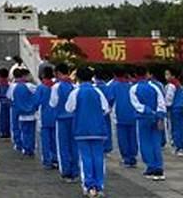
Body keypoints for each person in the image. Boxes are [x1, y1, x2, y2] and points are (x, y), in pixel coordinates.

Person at [65, 67, 110, 198]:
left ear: (78, 78)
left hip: (81, 130)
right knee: (98, 157)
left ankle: (89, 186)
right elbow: (106, 109)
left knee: (85, 158)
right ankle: (99, 186)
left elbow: (69, 108)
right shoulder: (97, 91)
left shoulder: (76, 92)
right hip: (98, 130)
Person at [130, 65, 167, 180]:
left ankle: (151, 167)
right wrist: (160, 116)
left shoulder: (134, 89)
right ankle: (158, 167)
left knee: (145, 143)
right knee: (156, 142)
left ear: (135, 75)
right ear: (147, 74)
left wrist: (148, 111)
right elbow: (162, 103)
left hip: (143, 118)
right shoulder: (155, 87)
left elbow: (136, 105)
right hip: (156, 118)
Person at [50, 62, 79, 182]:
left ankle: (66, 172)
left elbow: (53, 103)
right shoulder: (75, 86)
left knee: (63, 146)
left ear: (58, 73)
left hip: (61, 119)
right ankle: (75, 171)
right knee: (74, 146)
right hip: (74, 119)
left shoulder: (56, 87)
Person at [107, 66, 138, 168]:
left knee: (123, 138)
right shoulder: (130, 84)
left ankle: (126, 158)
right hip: (132, 114)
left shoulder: (113, 85)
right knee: (132, 137)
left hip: (120, 115)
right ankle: (133, 157)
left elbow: (110, 99)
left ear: (114, 75)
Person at [35, 65, 57, 169]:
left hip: (44, 117)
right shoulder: (56, 86)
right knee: (54, 140)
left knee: (45, 141)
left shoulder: (41, 88)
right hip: (55, 116)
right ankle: (55, 158)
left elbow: (36, 102)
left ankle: (47, 161)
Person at [11, 67, 38, 157]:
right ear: (24, 76)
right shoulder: (30, 86)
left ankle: (25, 148)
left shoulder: (14, 87)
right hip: (31, 113)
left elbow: (10, 97)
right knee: (31, 133)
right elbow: (37, 93)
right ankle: (31, 148)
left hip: (21, 114)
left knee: (24, 132)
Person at [164, 68, 183, 156]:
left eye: (167, 74)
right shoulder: (179, 84)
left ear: (173, 75)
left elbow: (169, 99)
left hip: (174, 109)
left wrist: (165, 107)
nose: (166, 76)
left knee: (174, 129)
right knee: (181, 128)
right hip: (180, 109)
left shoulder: (171, 85)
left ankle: (178, 147)